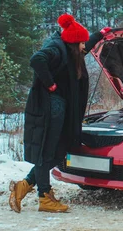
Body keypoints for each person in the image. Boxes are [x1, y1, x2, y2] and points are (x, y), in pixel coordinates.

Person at [8, 14, 110, 213]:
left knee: (59, 151)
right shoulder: (56, 48)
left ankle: (25, 185)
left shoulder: (70, 50)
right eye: (81, 43)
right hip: (49, 109)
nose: (84, 47)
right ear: (73, 43)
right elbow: (37, 59)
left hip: (60, 109)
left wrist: (100, 35)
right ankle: (44, 198)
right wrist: (50, 84)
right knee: (46, 153)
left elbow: (85, 46)